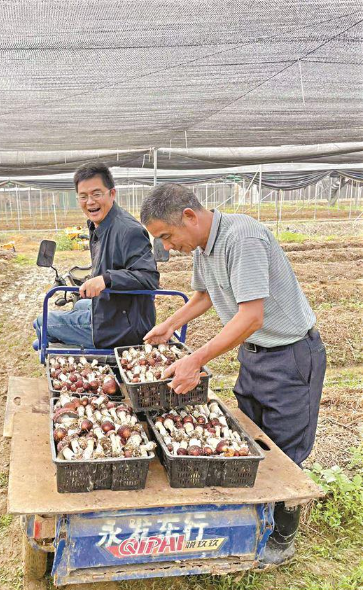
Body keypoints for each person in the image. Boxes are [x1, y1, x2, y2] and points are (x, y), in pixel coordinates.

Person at [140, 183, 326, 566]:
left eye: (167, 236)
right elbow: (205, 295)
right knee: (252, 437)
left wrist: (196, 360)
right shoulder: (204, 246)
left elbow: (251, 315)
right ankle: (253, 517)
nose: (168, 247)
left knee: (286, 450)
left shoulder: (243, 237)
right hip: (255, 354)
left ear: (189, 217)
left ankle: (282, 536)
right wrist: (169, 325)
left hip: (290, 355)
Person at [45, 162, 159, 349]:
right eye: (83, 196)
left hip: (124, 327)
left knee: (42, 322)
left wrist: (106, 280)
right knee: (80, 306)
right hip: (115, 309)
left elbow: (149, 277)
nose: (90, 202)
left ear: (112, 194)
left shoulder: (128, 230)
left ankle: (91, 357)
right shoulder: (100, 224)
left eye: (96, 194)